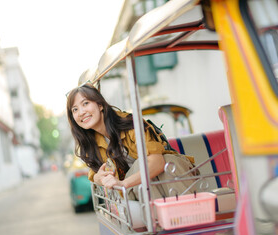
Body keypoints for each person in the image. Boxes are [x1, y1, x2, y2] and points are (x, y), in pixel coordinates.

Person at [66, 83, 198, 200]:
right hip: (139, 191)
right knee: (138, 176)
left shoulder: (130, 123)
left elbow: (157, 163)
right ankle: (163, 220)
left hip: (170, 175)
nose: (81, 112)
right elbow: (94, 173)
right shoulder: (90, 143)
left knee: (155, 162)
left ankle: (187, 212)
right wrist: (98, 178)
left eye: (85, 103)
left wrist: (123, 183)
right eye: (75, 109)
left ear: (100, 105)